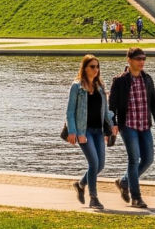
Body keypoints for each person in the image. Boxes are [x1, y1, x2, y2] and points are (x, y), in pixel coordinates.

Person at [109, 47, 155, 209]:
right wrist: (113, 124)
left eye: (144, 59)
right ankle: (136, 197)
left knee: (148, 159)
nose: (142, 62)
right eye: (138, 59)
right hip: (128, 125)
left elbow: (154, 102)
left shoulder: (147, 79)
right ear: (129, 60)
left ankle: (124, 182)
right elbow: (112, 105)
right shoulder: (119, 81)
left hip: (144, 125)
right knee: (134, 160)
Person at [65, 54, 116, 211]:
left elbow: (105, 111)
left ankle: (80, 184)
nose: (96, 69)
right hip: (84, 132)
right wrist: (74, 132)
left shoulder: (100, 86)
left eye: (97, 66)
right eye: (92, 66)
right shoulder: (77, 87)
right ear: (85, 68)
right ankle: (94, 198)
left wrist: (113, 125)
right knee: (93, 163)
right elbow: (70, 112)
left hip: (98, 131)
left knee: (100, 165)